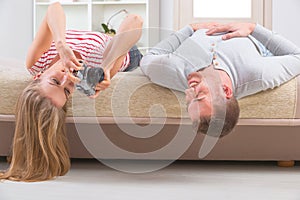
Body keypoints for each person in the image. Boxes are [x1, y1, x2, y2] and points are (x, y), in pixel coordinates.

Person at [0, 2, 143, 182]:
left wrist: (60, 45)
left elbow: (54, 7)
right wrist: (106, 66)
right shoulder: (94, 74)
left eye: (54, 81)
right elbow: (135, 20)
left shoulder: (36, 62)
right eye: (67, 90)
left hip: (96, 37)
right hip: (130, 52)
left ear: (38, 76)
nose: (67, 78)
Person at [140, 22, 300, 138]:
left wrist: (190, 29)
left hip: (200, 28)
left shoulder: (173, 71)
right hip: (249, 38)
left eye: (188, 101)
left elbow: (148, 59)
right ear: (225, 90)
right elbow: (297, 57)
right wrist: (253, 28)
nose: (189, 91)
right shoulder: (259, 73)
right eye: (200, 96)